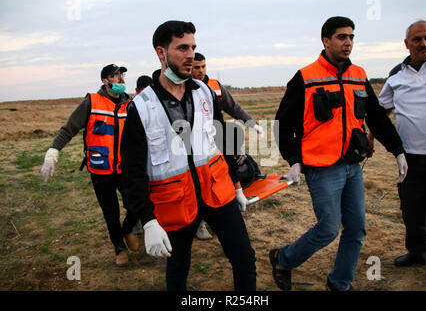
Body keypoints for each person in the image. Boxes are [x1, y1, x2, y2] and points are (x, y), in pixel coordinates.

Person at [272, 16, 408, 291]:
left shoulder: (358, 74)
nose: (348, 43)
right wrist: (294, 160)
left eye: (352, 37)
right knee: (329, 229)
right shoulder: (305, 77)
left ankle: (339, 283)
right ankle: (282, 258)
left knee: (356, 230)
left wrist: (397, 150)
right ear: (326, 40)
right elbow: (282, 123)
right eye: (342, 37)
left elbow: (377, 118)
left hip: (352, 165)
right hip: (321, 167)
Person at [120, 20, 256, 291]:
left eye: (193, 47)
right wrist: (148, 220)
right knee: (178, 267)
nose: (191, 54)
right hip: (175, 202)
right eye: (182, 47)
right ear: (161, 52)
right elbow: (132, 172)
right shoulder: (141, 107)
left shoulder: (204, 91)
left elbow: (222, 139)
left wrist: (237, 185)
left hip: (217, 194)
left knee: (244, 259)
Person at [40, 64, 140, 267]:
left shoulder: (129, 104)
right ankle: (119, 248)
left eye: (122, 75)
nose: (121, 79)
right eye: (116, 76)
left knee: (136, 204)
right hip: (100, 170)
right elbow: (69, 128)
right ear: (105, 81)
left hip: (125, 168)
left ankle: (128, 228)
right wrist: (53, 152)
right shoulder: (91, 103)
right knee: (110, 211)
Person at [374, 20, 426, 275]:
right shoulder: (397, 74)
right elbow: (380, 110)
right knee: (412, 210)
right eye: (417, 39)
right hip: (408, 158)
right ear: (407, 44)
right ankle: (419, 253)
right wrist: (371, 136)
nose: (424, 43)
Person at [192, 52, 263, 239]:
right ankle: (200, 222)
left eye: (203, 66)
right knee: (200, 183)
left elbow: (233, 107)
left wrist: (251, 122)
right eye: (196, 67)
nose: (200, 71)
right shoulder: (184, 88)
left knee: (224, 176)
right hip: (195, 142)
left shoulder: (215, 86)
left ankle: (223, 217)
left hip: (218, 137)